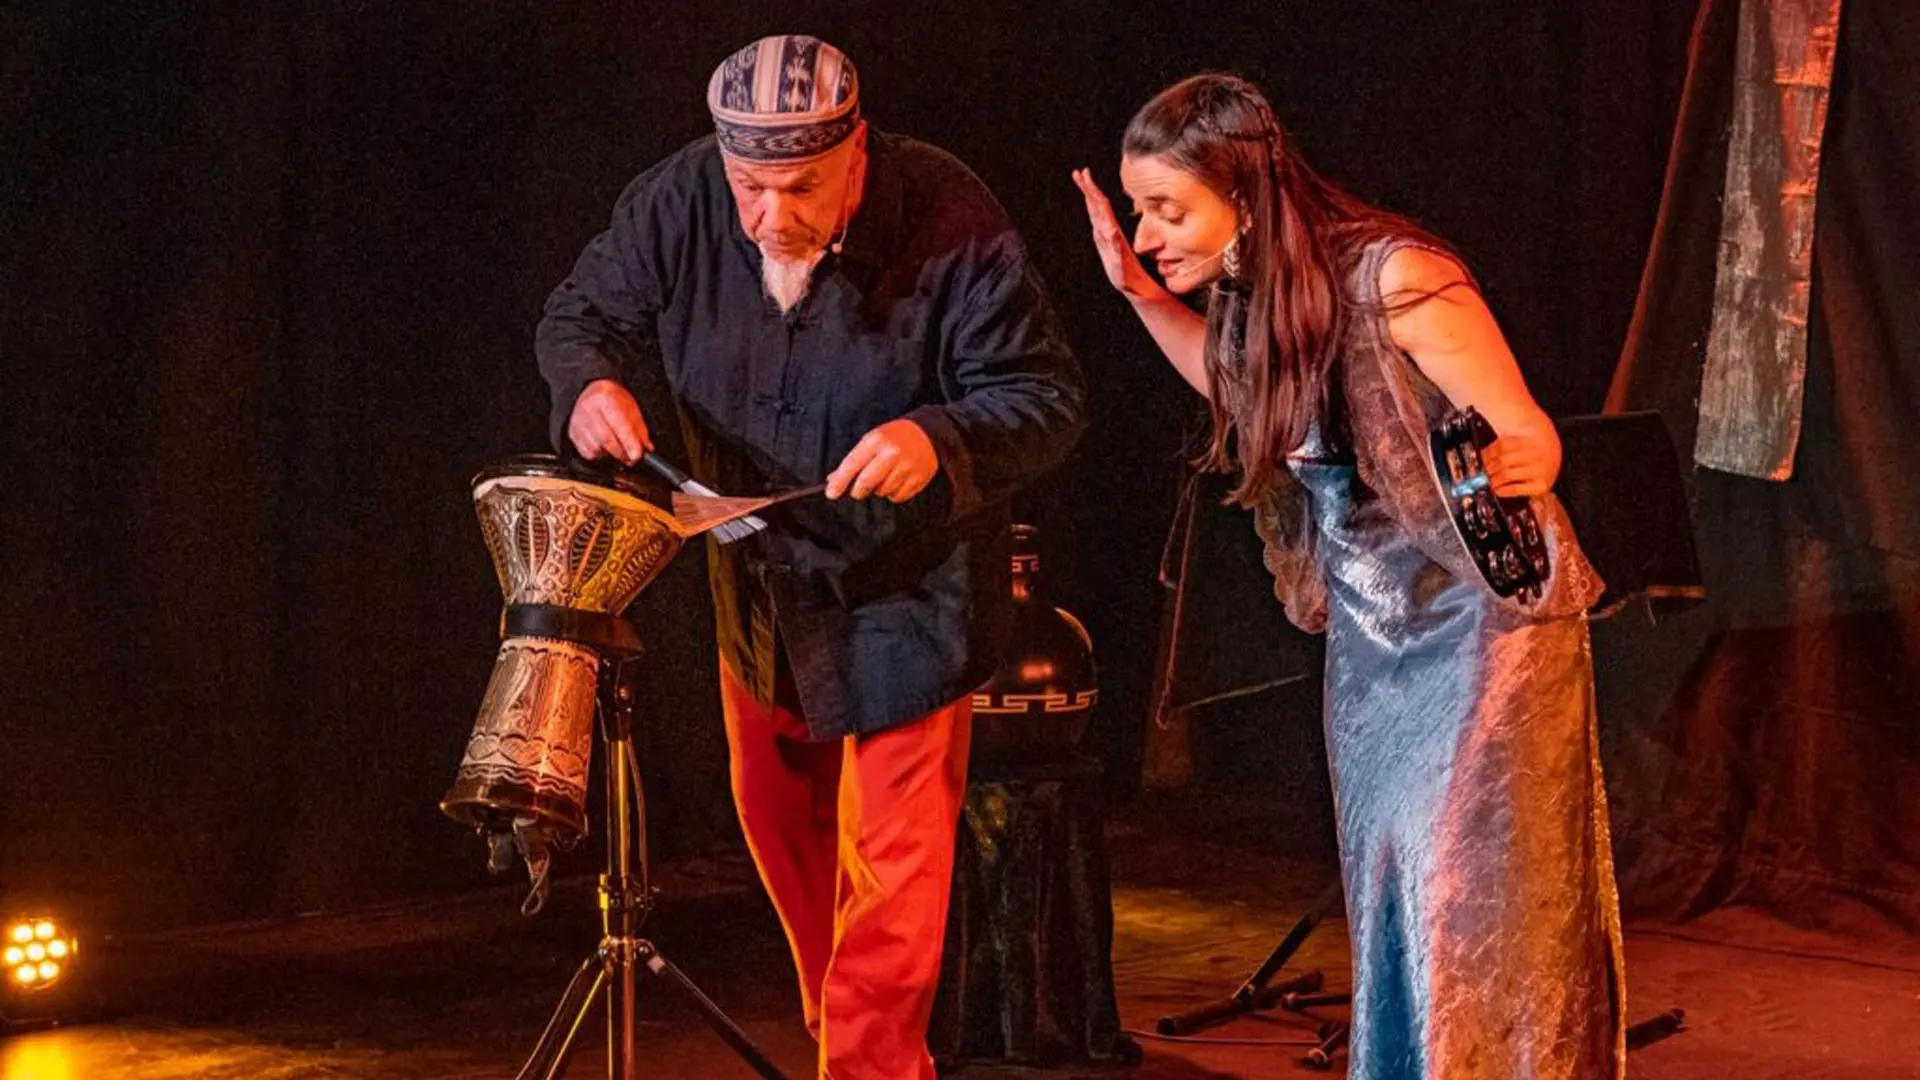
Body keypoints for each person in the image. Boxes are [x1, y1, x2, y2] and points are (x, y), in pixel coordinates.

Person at [536, 34, 1085, 1080]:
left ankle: (870, 1067)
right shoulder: (682, 200)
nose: (771, 218)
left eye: (801, 188)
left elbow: (1049, 400)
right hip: (758, 589)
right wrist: (588, 387)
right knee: (786, 842)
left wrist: (939, 439)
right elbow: (581, 317)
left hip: (907, 595)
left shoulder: (950, 215)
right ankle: (867, 1059)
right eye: (751, 186)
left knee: (890, 875)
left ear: (857, 154)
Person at [1073, 73, 1624, 1079]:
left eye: (1166, 209)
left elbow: (1524, 423)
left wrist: (1529, 453)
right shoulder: (1259, 296)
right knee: (1394, 885)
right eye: (1139, 209)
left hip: (1480, 628)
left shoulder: (1396, 277)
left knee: (1465, 895)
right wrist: (1139, 296)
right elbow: (1243, 392)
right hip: (1374, 648)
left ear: (1243, 193)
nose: (1149, 233)